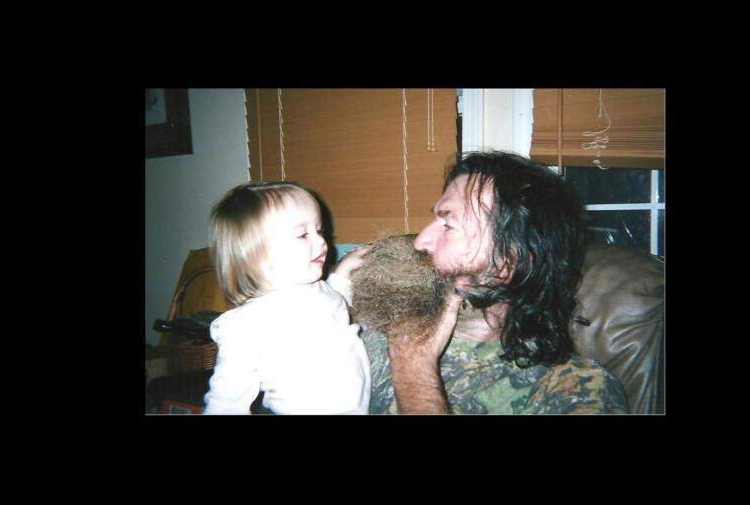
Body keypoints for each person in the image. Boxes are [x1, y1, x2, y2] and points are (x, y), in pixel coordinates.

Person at [358, 152, 629, 414]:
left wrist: (414, 368)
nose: (420, 241)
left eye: (449, 225)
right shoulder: (380, 323)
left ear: (508, 265)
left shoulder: (575, 389)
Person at [202, 181, 371, 414]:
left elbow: (336, 303)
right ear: (256, 254)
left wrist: (343, 271)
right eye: (303, 234)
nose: (321, 241)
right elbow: (226, 400)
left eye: (319, 230)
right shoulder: (246, 324)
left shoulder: (318, 289)